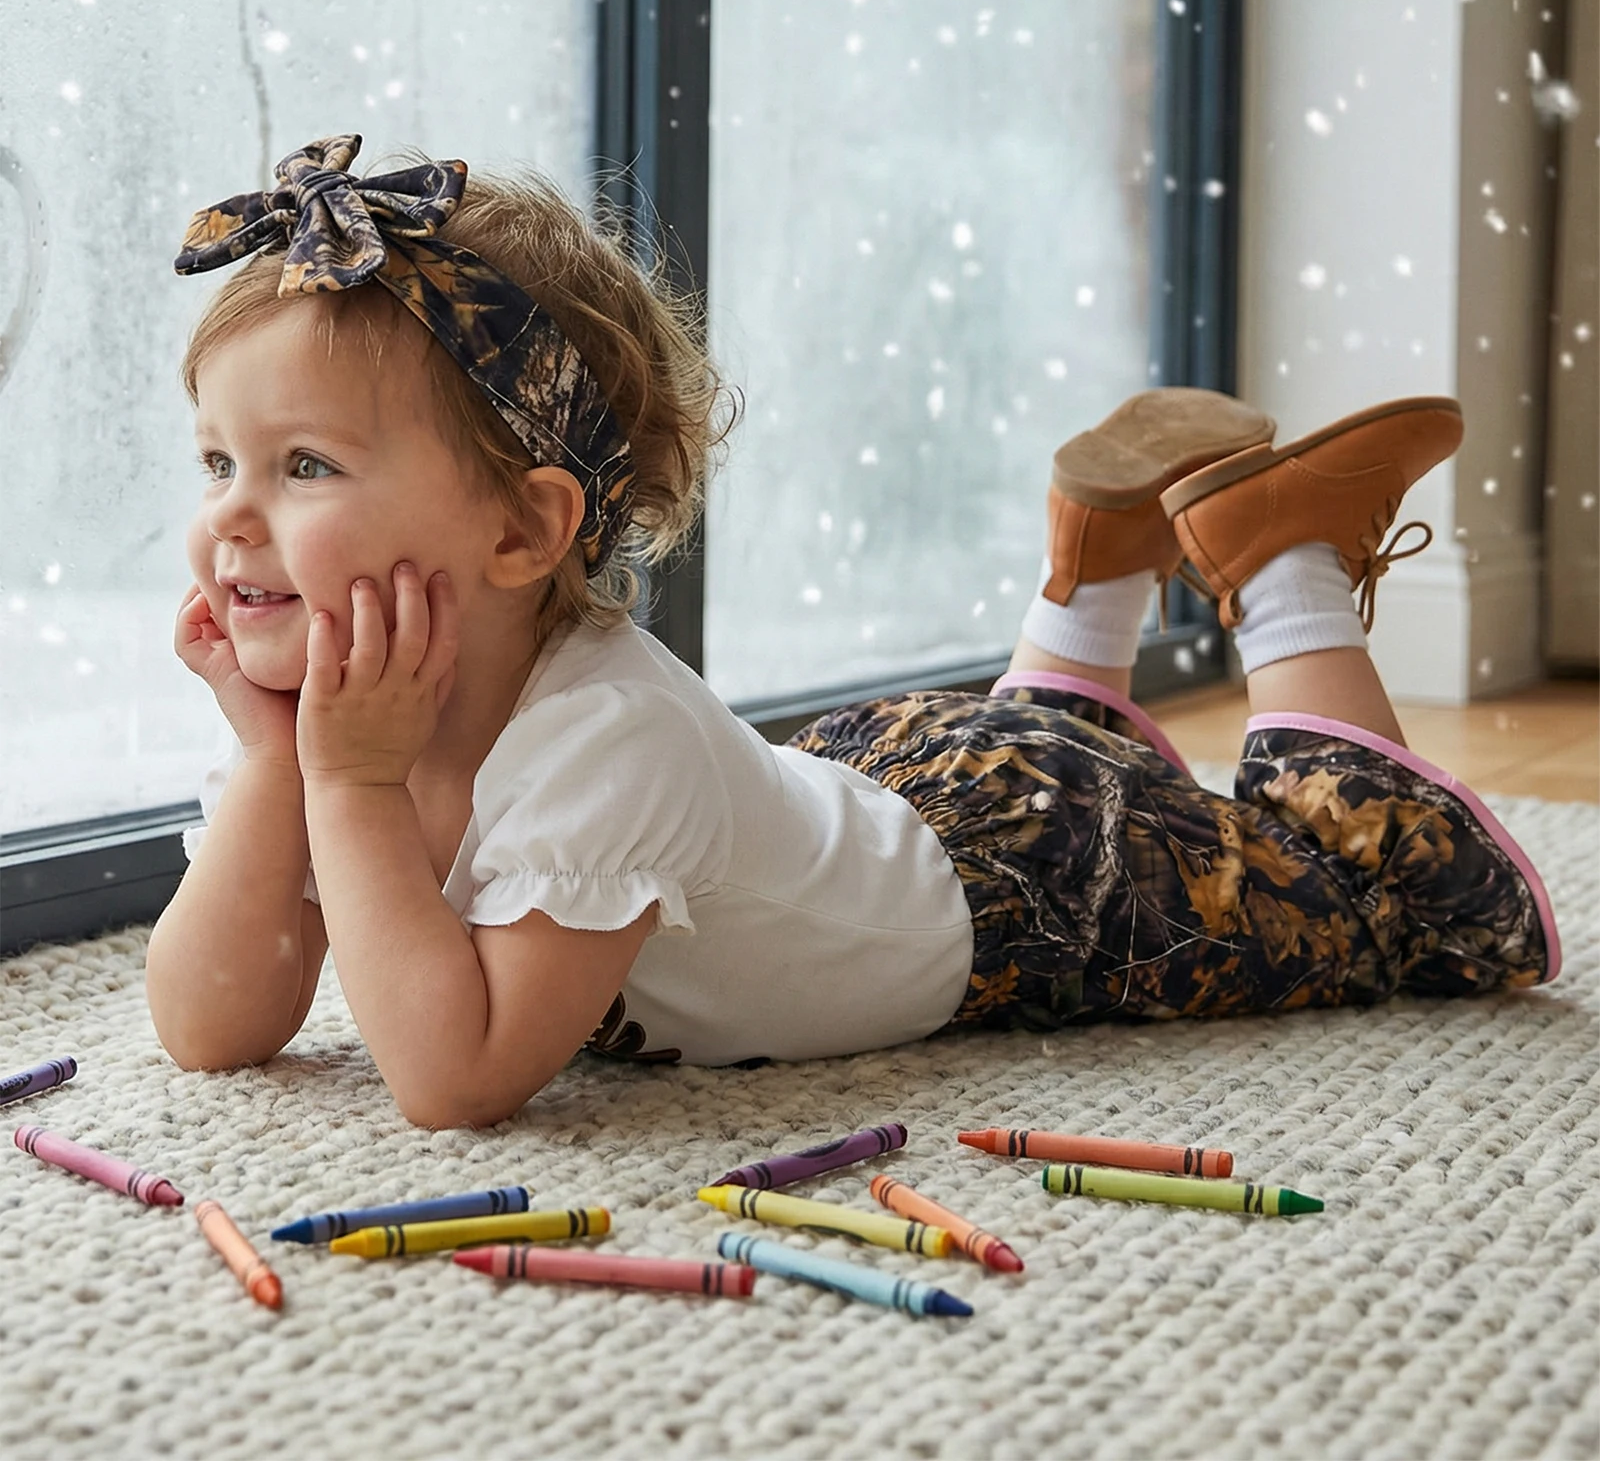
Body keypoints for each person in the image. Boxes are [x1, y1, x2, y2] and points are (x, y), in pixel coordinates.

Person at [145, 135, 1559, 1129]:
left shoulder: (602, 737)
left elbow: (452, 1080)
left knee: (1373, 894)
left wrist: (348, 783)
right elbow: (213, 1026)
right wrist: (283, 762)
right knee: (1032, 752)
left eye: (304, 468)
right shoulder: (341, 712)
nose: (231, 521)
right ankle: (1096, 558)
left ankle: (1282, 558)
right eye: (219, 465)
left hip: (1023, 885)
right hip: (892, 783)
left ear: (523, 532)